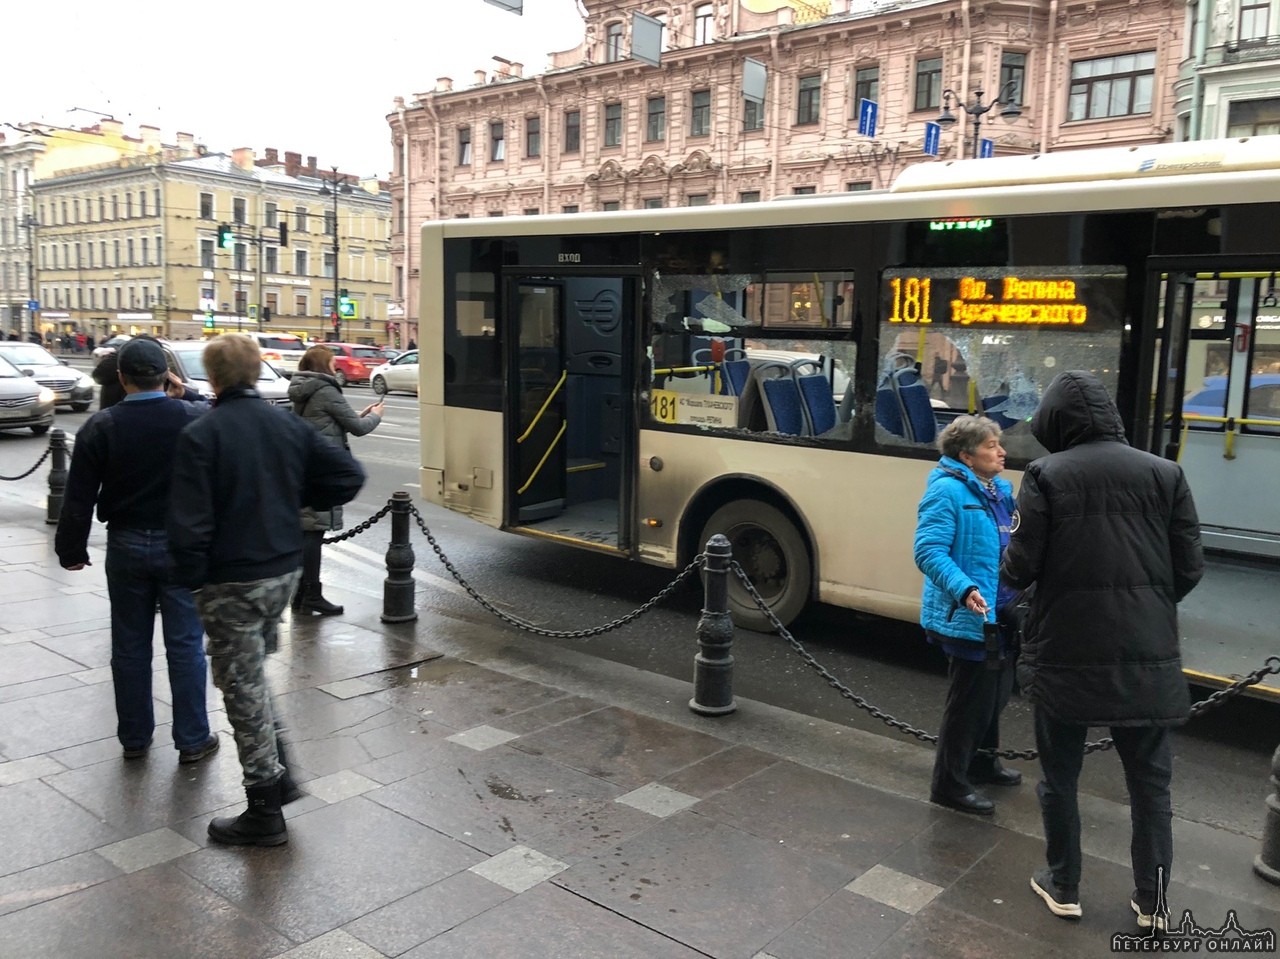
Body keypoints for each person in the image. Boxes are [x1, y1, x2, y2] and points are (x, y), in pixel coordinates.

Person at [1000, 370, 1203, 928]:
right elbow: (1188, 568)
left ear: (1057, 424)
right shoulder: (1166, 473)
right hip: (1146, 652)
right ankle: (1153, 902)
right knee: (1150, 785)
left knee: (1059, 776)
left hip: (1066, 649)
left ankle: (1063, 884)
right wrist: (1145, 607)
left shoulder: (1045, 474)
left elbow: (1019, 567)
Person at [167, 334, 365, 847]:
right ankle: (280, 778)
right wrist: (296, 498)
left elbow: (189, 525)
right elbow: (347, 474)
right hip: (282, 570)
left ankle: (263, 808)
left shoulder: (202, 434)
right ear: (257, 372)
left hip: (231, 578)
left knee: (241, 688)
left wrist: (191, 578)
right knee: (251, 676)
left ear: (213, 378)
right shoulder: (285, 425)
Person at [54, 337, 219, 765]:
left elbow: (79, 496)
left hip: (126, 543)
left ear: (122, 378)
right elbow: (227, 412)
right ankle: (192, 738)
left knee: (129, 644)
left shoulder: (102, 425)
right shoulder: (192, 416)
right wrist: (192, 392)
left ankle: (134, 737)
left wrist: (71, 548)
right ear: (167, 376)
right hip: (181, 546)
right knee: (185, 644)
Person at [914, 414, 1022, 817]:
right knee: (969, 701)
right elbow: (928, 551)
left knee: (996, 690)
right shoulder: (946, 492)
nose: (1001, 452)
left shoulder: (998, 491)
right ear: (966, 455)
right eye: (992, 446)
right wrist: (965, 589)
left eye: (999, 444)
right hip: (968, 614)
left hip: (1002, 611)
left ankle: (982, 762)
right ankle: (948, 784)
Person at [287, 345, 384, 615]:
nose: (334, 366)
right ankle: (311, 595)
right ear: (323, 365)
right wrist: (375, 417)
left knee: (307, 530)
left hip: (304, 464)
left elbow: (332, 420)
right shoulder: (326, 389)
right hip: (321, 468)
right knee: (314, 532)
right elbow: (358, 429)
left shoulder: (302, 387)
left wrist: (359, 414)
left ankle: (300, 596)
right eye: (331, 362)